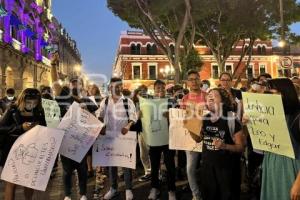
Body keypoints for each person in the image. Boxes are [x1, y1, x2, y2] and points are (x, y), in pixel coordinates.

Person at [51, 53, 98, 200]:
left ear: (81, 86)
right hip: (65, 138)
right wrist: (53, 65)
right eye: (72, 82)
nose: (74, 84)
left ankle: (83, 194)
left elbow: (95, 119)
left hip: (81, 139)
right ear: (69, 85)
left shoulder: (87, 101)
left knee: (82, 168)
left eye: (77, 82)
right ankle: (67, 195)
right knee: (66, 170)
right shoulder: (63, 96)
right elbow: (55, 83)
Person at [192, 88, 246, 200]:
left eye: (214, 95)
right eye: (208, 96)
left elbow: (241, 147)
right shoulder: (205, 118)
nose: (210, 97)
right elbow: (198, 139)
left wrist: (224, 146)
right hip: (207, 169)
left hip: (227, 171)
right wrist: (190, 126)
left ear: (222, 101)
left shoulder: (231, 119)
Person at [0, 88, 46, 200]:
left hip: (31, 150)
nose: (32, 105)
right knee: (11, 182)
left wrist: (38, 127)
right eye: (29, 102)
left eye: (35, 102)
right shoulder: (12, 109)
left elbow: (45, 127)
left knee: (28, 181)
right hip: (12, 149)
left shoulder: (39, 110)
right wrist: (20, 127)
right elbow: (1, 127)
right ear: (22, 100)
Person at [260, 78, 300, 200]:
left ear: (285, 93)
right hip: (271, 167)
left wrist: (298, 184)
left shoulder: (297, 117)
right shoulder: (269, 116)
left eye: (271, 93)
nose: (267, 97)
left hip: (290, 170)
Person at [97, 77, 137, 200]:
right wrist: (101, 126)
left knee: (126, 165)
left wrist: (128, 126)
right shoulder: (105, 101)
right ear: (110, 87)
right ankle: (113, 189)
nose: (117, 88)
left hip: (124, 137)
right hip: (109, 137)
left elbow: (133, 117)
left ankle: (128, 189)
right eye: (115, 86)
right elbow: (100, 115)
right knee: (111, 165)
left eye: (119, 85)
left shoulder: (127, 102)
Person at [147, 80, 177, 200]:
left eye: (162, 88)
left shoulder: (172, 102)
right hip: (154, 139)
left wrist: (171, 116)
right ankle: (154, 188)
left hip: (169, 138)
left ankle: (172, 190)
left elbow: (179, 118)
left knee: (170, 166)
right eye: (158, 88)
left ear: (165, 90)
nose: (160, 90)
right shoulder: (149, 103)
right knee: (154, 166)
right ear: (154, 90)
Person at [180, 70, 206, 200]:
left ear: (200, 80)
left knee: (207, 167)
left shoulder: (208, 96)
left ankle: (208, 191)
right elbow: (180, 118)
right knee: (190, 168)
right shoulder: (184, 99)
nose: (194, 81)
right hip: (190, 138)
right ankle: (196, 194)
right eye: (191, 79)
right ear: (187, 82)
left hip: (207, 136)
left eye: (196, 78)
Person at [132, 85, 152, 182]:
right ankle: (148, 172)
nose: (142, 93)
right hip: (141, 131)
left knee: (153, 153)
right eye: (140, 92)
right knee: (143, 154)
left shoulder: (151, 102)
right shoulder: (134, 104)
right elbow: (132, 119)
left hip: (151, 131)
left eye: (144, 91)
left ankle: (156, 172)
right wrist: (137, 116)